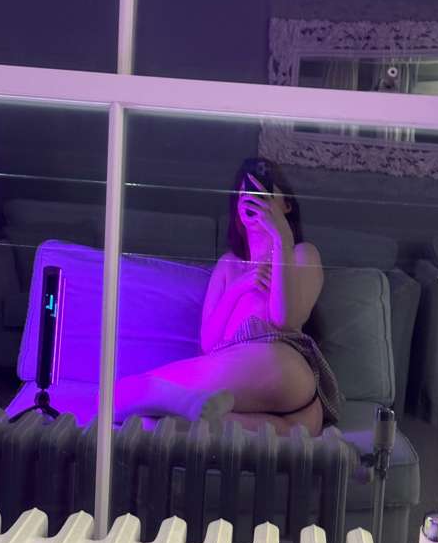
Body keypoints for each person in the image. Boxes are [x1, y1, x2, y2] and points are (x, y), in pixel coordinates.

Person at [114, 158, 341, 436]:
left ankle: (183, 401)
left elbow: (286, 321)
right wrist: (239, 287)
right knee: (149, 421)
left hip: (284, 368)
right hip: (294, 417)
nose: (254, 199)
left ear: (287, 205)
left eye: (264, 192)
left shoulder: (301, 253)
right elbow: (209, 344)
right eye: (246, 193)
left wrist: (281, 237)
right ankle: (190, 408)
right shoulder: (229, 265)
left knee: (128, 392)